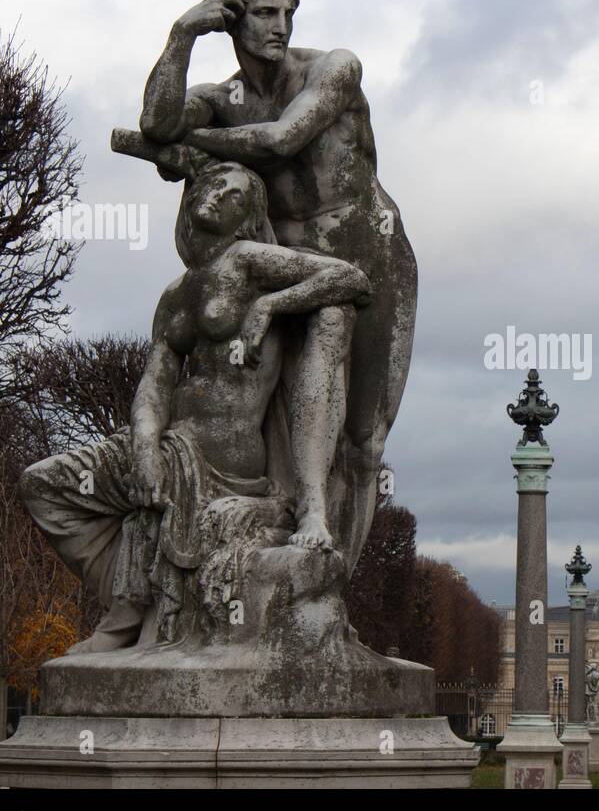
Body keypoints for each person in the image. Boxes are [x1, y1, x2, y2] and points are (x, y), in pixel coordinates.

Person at [20, 160, 371, 651]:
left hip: (226, 457)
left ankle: (129, 609)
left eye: (234, 192)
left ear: (248, 215)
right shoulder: (175, 293)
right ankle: (126, 602)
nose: (217, 193)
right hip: (169, 442)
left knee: (335, 311)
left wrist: (270, 305)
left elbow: (350, 280)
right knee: (43, 485)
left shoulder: (250, 260)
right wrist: (143, 441)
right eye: (213, 183)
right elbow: (155, 381)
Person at [138, 0, 417, 572]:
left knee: (364, 443)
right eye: (265, 14)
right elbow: (155, 121)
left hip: (369, 246)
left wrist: (187, 146)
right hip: (284, 256)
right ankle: (304, 531)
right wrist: (182, 33)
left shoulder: (334, 68)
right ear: (233, 20)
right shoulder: (223, 98)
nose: (281, 26)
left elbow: (279, 141)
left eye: (288, 13)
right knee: (280, 416)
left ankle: (333, 593)